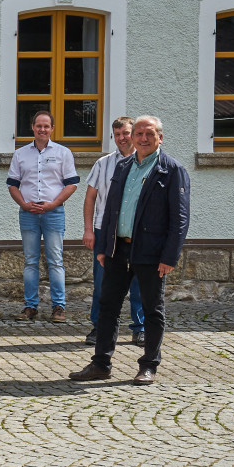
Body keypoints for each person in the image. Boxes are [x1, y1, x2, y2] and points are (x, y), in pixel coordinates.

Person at [70, 116, 190, 386]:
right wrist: (103, 247)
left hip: (151, 253)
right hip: (117, 250)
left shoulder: (172, 170)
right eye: (139, 134)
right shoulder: (123, 165)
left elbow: (180, 219)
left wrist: (169, 257)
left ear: (160, 137)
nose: (143, 139)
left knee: (152, 309)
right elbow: (111, 208)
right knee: (107, 306)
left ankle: (148, 366)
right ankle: (101, 363)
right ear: (133, 137)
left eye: (149, 134)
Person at [7, 110, 78, 322]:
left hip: (54, 213)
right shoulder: (20, 154)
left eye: (46, 126)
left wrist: (53, 204)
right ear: (33, 127)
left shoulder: (63, 153)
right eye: (39, 125)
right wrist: (24, 204)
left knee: (55, 260)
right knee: (30, 261)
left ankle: (59, 307)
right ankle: (30, 307)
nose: (42, 129)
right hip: (28, 214)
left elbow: (72, 183)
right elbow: (12, 185)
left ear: (52, 129)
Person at [82, 117, 145, 346]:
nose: (121, 138)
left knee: (139, 283)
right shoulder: (103, 164)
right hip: (104, 231)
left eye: (126, 133)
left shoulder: (146, 163)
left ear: (134, 133)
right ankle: (99, 327)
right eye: (117, 134)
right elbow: (90, 198)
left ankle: (140, 328)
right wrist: (89, 230)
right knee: (102, 283)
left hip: (137, 232)